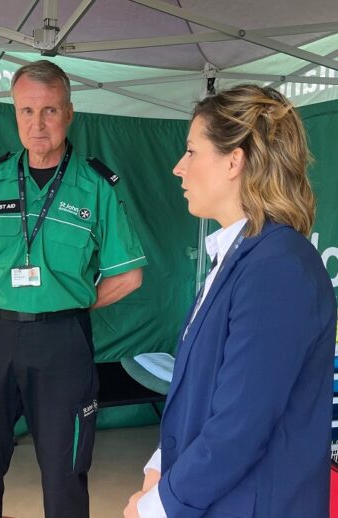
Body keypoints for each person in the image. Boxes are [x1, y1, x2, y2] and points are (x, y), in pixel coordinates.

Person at [0, 60, 147, 518]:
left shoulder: (95, 186)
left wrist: (66, 306)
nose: (38, 124)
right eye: (26, 111)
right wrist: (5, 296)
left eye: (50, 111)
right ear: (15, 114)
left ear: (69, 112)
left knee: (65, 469)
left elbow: (129, 275)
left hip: (62, 342)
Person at [125, 84, 337, 518]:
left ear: (234, 161)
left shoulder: (278, 267)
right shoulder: (245, 256)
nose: (178, 167)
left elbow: (241, 425)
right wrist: (160, 465)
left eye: (191, 151)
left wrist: (157, 507)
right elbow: (203, 392)